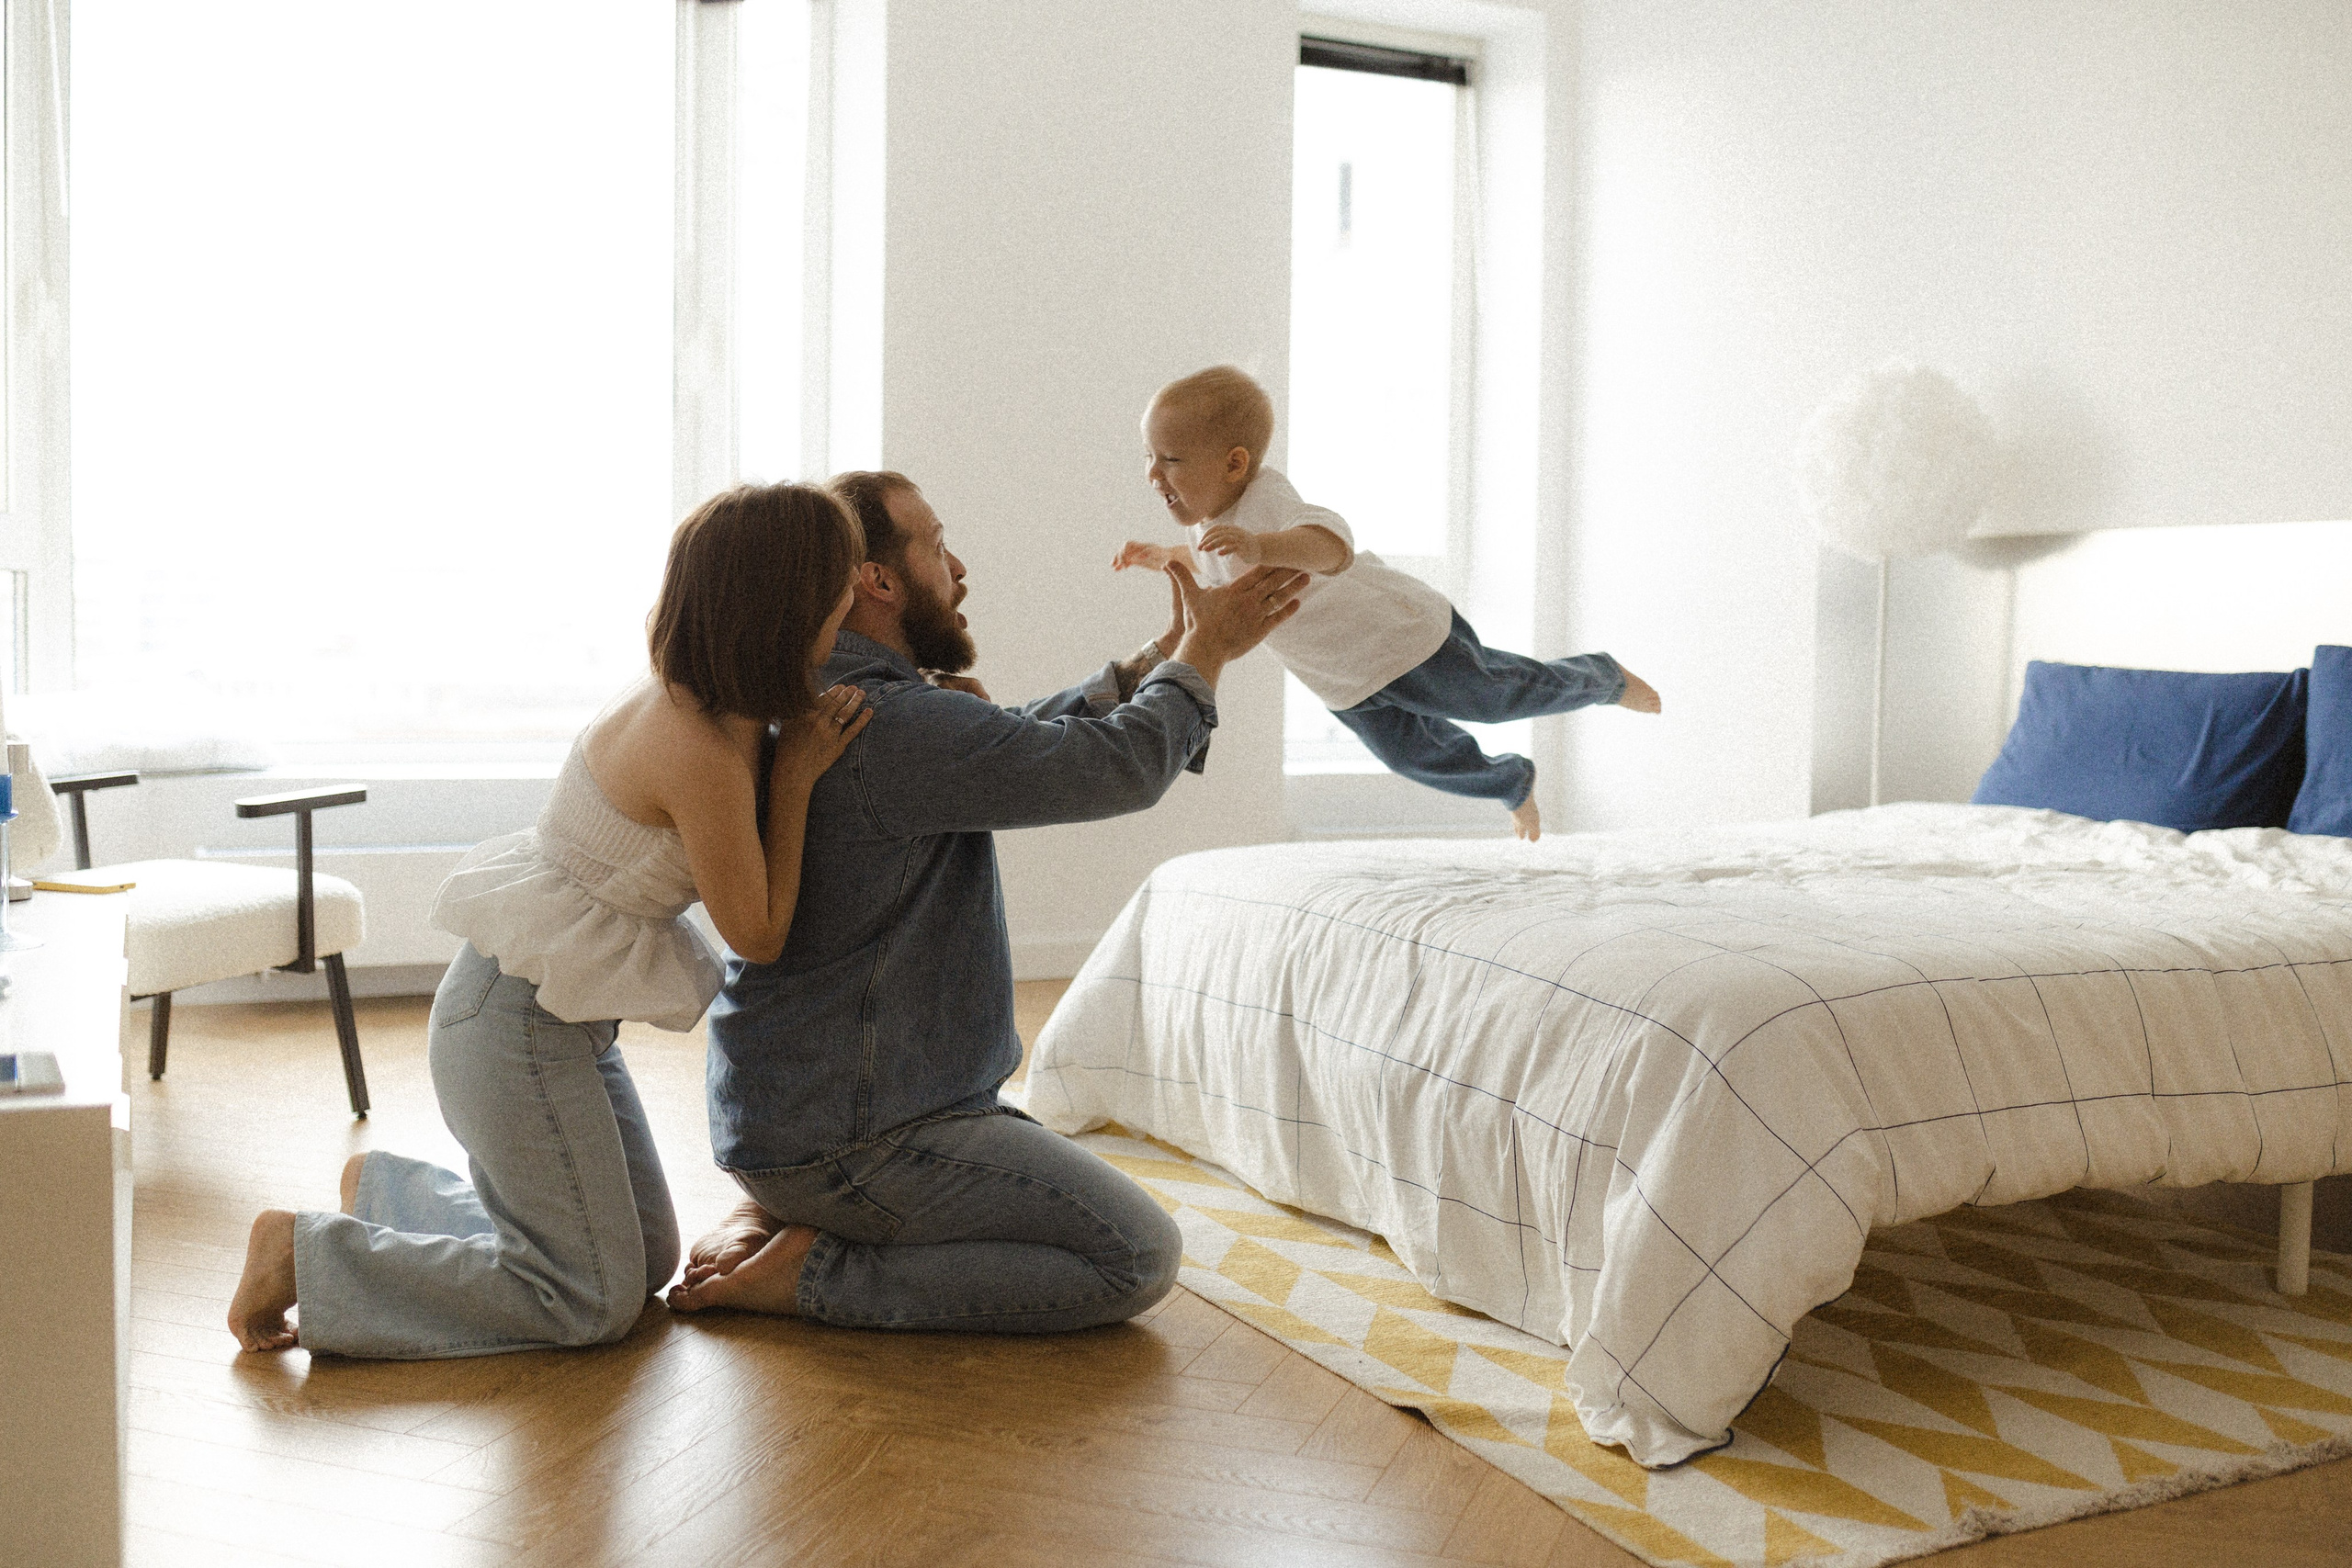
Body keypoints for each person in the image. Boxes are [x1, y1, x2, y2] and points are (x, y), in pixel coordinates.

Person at [226, 483, 873, 1356]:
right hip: (511, 1027)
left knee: (642, 1256)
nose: (846, 613)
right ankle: (304, 1255)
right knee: (589, 1299)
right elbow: (757, 933)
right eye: (837, 597)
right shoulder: (701, 747)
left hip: (546, 1021)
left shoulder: (697, 701)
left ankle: (392, 1196)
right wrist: (793, 780)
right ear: (784, 610)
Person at [665, 468, 1306, 1330]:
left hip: (799, 1121)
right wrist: (1205, 656)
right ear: (877, 580)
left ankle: (789, 1211)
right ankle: (816, 1270)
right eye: (935, 543)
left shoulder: (851, 705)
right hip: (857, 1137)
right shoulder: (893, 724)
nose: (959, 567)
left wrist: (1166, 655)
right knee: (1135, 1255)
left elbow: (1012, 739)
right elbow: (1112, 764)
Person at [1114, 365, 1662, 841]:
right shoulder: (1211, 525)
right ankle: (1510, 781)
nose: (1152, 474)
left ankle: (1603, 677)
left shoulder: (1266, 500)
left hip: (1401, 639)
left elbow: (1332, 545)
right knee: (1411, 754)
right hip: (1344, 678)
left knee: (1492, 696)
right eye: (1148, 457)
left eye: (1171, 460)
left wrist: (1264, 547)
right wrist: (1162, 556)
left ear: (1234, 465)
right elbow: (1206, 564)